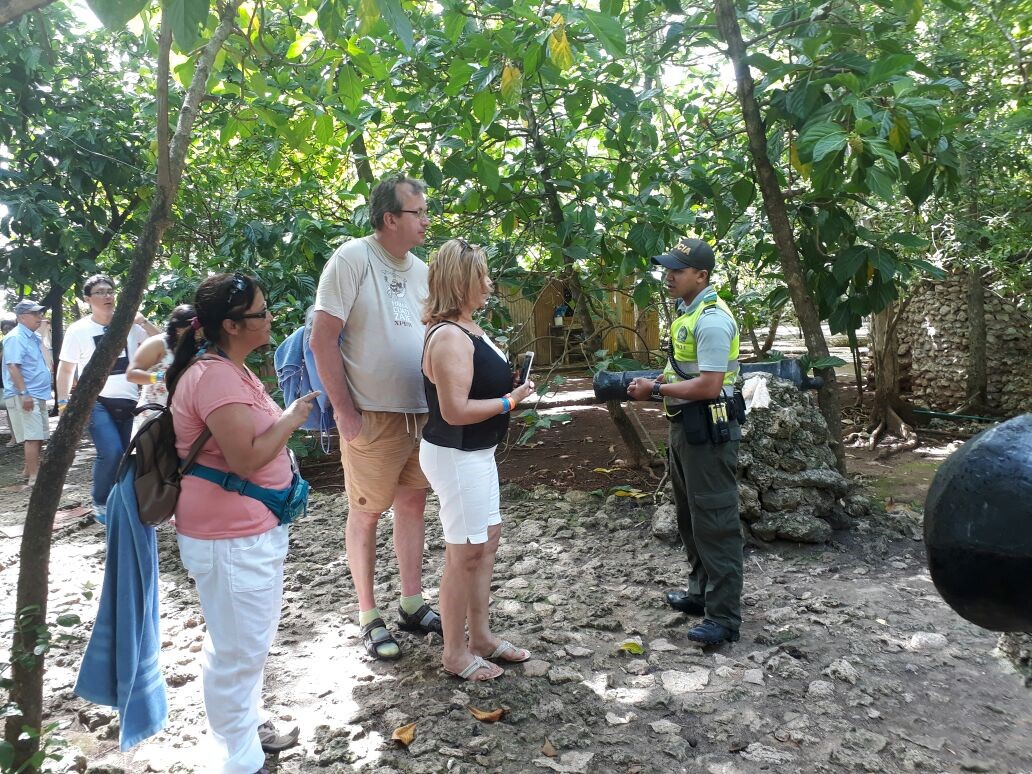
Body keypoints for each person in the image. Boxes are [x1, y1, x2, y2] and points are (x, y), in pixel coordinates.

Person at [167, 273, 317, 774]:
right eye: (261, 312)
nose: (270, 317)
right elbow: (246, 458)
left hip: (246, 532)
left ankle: (247, 728)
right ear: (231, 325)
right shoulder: (215, 378)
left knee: (244, 643)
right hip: (231, 538)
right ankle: (238, 759)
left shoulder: (231, 369)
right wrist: (292, 418)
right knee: (238, 650)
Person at [310, 173, 440, 661]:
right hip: (371, 415)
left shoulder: (422, 270)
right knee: (366, 512)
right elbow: (321, 339)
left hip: (420, 414)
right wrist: (345, 414)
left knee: (413, 505)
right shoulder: (352, 258)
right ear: (390, 218)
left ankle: (411, 604)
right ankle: (368, 614)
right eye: (417, 212)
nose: (426, 221)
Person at [419, 239, 537, 681]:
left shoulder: (469, 328)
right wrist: (510, 400)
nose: (489, 284)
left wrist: (508, 389)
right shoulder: (449, 336)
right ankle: (454, 652)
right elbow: (454, 411)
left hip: (477, 453)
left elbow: (476, 388)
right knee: (464, 553)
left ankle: (482, 637)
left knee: (486, 543)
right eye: (480, 276)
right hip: (457, 455)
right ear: (459, 281)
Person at [627, 238, 744, 646]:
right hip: (686, 427)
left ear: (702, 275)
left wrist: (656, 391)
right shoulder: (687, 313)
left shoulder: (711, 319)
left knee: (715, 521)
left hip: (708, 430)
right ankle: (700, 594)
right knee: (690, 517)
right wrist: (661, 380)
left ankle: (724, 617)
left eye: (678, 270)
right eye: (668, 269)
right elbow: (686, 370)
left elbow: (710, 385)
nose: (669, 276)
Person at [56, 275, 159, 523]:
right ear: (87, 299)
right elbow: (66, 369)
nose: (107, 296)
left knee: (128, 456)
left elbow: (164, 344)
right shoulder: (78, 330)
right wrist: (63, 403)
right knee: (111, 452)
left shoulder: (130, 324)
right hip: (97, 401)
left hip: (131, 402)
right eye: (100, 292)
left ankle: (122, 500)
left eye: (110, 291)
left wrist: (143, 321)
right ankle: (101, 501)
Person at [2, 301, 52, 486]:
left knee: (38, 434)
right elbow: (13, 366)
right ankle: (34, 476)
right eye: (35, 314)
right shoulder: (15, 337)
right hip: (25, 394)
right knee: (32, 436)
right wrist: (24, 393)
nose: (40, 317)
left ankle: (27, 471)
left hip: (36, 393)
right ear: (22, 317)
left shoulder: (33, 336)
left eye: (40, 313)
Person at [126, 304, 196, 434]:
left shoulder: (198, 346)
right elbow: (131, 374)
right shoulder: (157, 343)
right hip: (154, 414)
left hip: (185, 416)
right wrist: (161, 377)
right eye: (192, 328)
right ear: (178, 328)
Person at [1, 318, 19, 447]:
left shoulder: (18, 340)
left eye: (10, 328)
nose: (7, 331)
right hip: (4, 380)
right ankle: (14, 436)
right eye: (4, 329)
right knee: (10, 408)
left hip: (18, 379)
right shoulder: (3, 343)